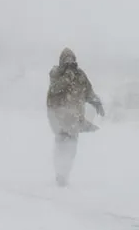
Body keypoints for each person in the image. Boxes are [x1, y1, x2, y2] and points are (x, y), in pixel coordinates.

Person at [46, 47, 105, 187]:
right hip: (59, 119)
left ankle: (65, 173)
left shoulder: (80, 75)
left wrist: (96, 102)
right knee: (61, 146)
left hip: (74, 120)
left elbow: (88, 91)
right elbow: (54, 90)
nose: (69, 62)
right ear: (61, 61)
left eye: (71, 59)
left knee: (71, 149)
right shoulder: (56, 74)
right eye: (66, 59)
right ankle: (60, 174)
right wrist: (67, 76)